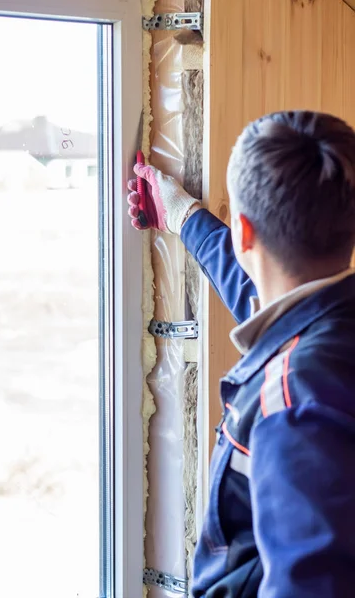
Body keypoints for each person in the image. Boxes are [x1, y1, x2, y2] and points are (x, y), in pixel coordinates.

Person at [127, 110, 355, 597]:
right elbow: (260, 298)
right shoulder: (331, 324)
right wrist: (184, 217)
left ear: (245, 231)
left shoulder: (294, 400)